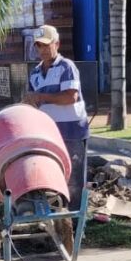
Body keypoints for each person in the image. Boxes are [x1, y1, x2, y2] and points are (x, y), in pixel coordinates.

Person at [23, 24, 90, 211]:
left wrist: (41, 97)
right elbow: (33, 102)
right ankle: (57, 217)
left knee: (74, 180)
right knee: (52, 177)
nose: (42, 50)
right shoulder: (35, 73)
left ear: (57, 44)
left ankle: (76, 222)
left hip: (72, 132)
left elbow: (70, 97)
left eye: (46, 45)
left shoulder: (66, 67)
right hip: (48, 134)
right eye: (39, 46)